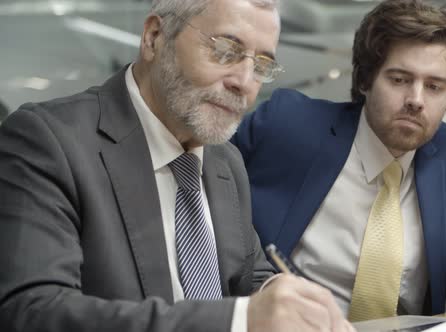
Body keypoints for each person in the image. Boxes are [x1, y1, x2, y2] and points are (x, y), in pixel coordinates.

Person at [0, 0, 354, 331]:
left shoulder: (225, 160)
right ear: (155, 38)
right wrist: (240, 320)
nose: (245, 84)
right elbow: (33, 311)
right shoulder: (48, 141)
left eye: (261, 65)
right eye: (225, 50)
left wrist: (287, 296)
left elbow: (248, 274)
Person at [232, 0, 446, 321]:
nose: (416, 100)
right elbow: (202, 200)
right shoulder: (287, 124)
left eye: (435, 86)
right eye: (399, 79)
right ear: (365, 80)